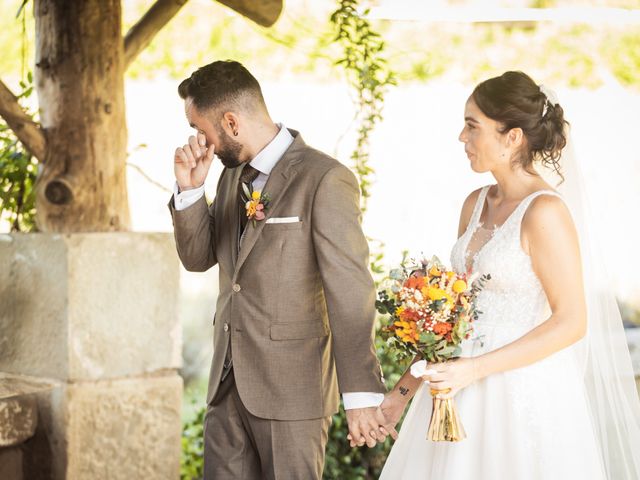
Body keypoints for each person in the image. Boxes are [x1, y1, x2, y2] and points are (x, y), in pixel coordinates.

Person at [378, 71, 640, 479]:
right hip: (454, 389)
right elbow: (449, 318)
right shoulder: (474, 204)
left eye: (472, 126)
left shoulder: (545, 212)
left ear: (512, 136)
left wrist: (475, 369)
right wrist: (402, 394)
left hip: (520, 395)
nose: (461, 138)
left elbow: (572, 322)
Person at [167, 60, 394, 479]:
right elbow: (198, 258)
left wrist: (361, 392)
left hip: (293, 391)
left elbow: (350, 289)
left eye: (203, 130)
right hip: (227, 387)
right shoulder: (228, 178)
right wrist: (190, 188)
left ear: (231, 122)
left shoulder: (324, 179)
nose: (201, 143)